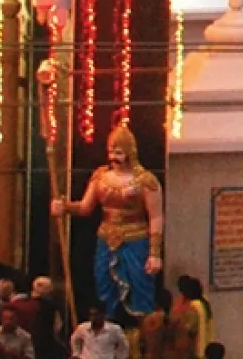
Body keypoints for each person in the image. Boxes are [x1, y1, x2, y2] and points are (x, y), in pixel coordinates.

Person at [51, 125, 164, 323]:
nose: (114, 157)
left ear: (130, 152)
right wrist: (65, 207)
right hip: (105, 239)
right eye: (111, 151)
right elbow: (86, 208)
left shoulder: (146, 181)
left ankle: (141, 337)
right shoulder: (101, 176)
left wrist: (154, 254)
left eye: (119, 152)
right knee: (105, 287)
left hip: (135, 240)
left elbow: (155, 217)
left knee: (139, 289)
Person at [169, 279, 211, 359]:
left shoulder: (194, 305)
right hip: (206, 344)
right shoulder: (204, 302)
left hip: (195, 347)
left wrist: (179, 323)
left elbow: (190, 328)